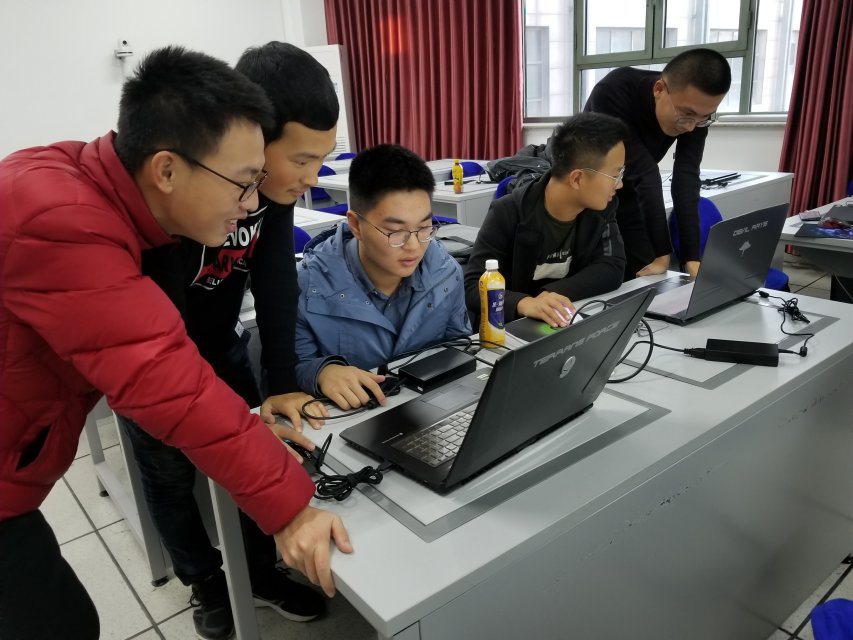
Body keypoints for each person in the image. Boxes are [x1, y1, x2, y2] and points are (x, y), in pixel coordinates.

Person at [0, 46, 350, 640]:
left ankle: (254, 576)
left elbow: (266, 287)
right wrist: (289, 506)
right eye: (245, 183)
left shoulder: (98, 182)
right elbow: (161, 373)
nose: (252, 204)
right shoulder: (61, 217)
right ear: (167, 170)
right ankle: (206, 583)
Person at [113, 42, 339, 639]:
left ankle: (257, 572)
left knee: (255, 452)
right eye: (302, 159)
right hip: (154, 360)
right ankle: (205, 582)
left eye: (323, 159)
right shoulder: (182, 195)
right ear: (252, 138)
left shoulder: (272, 196)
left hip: (220, 346)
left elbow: (276, 280)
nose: (313, 178)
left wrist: (281, 383)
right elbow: (159, 332)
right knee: (167, 476)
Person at [294, 144, 472, 410]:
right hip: (351, 417)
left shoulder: (445, 273)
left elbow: (459, 344)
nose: (414, 246)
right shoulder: (306, 287)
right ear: (356, 225)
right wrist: (322, 372)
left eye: (425, 227)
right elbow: (290, 372)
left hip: (430, 408)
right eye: (395, 232)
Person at [464, 112, 628, 328]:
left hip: (561, 322)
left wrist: (550, 295)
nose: (619, 184)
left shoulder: (599, 209)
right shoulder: (508, 212)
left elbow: (612, 266)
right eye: (615, 176)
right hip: (510, 329)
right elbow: (473, 286)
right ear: (577, 179)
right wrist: (524, 303)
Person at [584, 47, 731, 280]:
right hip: (590, 195)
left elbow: (686, 177)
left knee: (646, 276)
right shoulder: (613, 92)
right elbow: (645, 173)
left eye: (704, 117)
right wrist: (663, 254)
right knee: (605, 277)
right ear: (659, 89)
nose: (690, 127)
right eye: (686, 114)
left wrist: (691, 258)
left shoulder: (695, 115)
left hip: (632, 194)